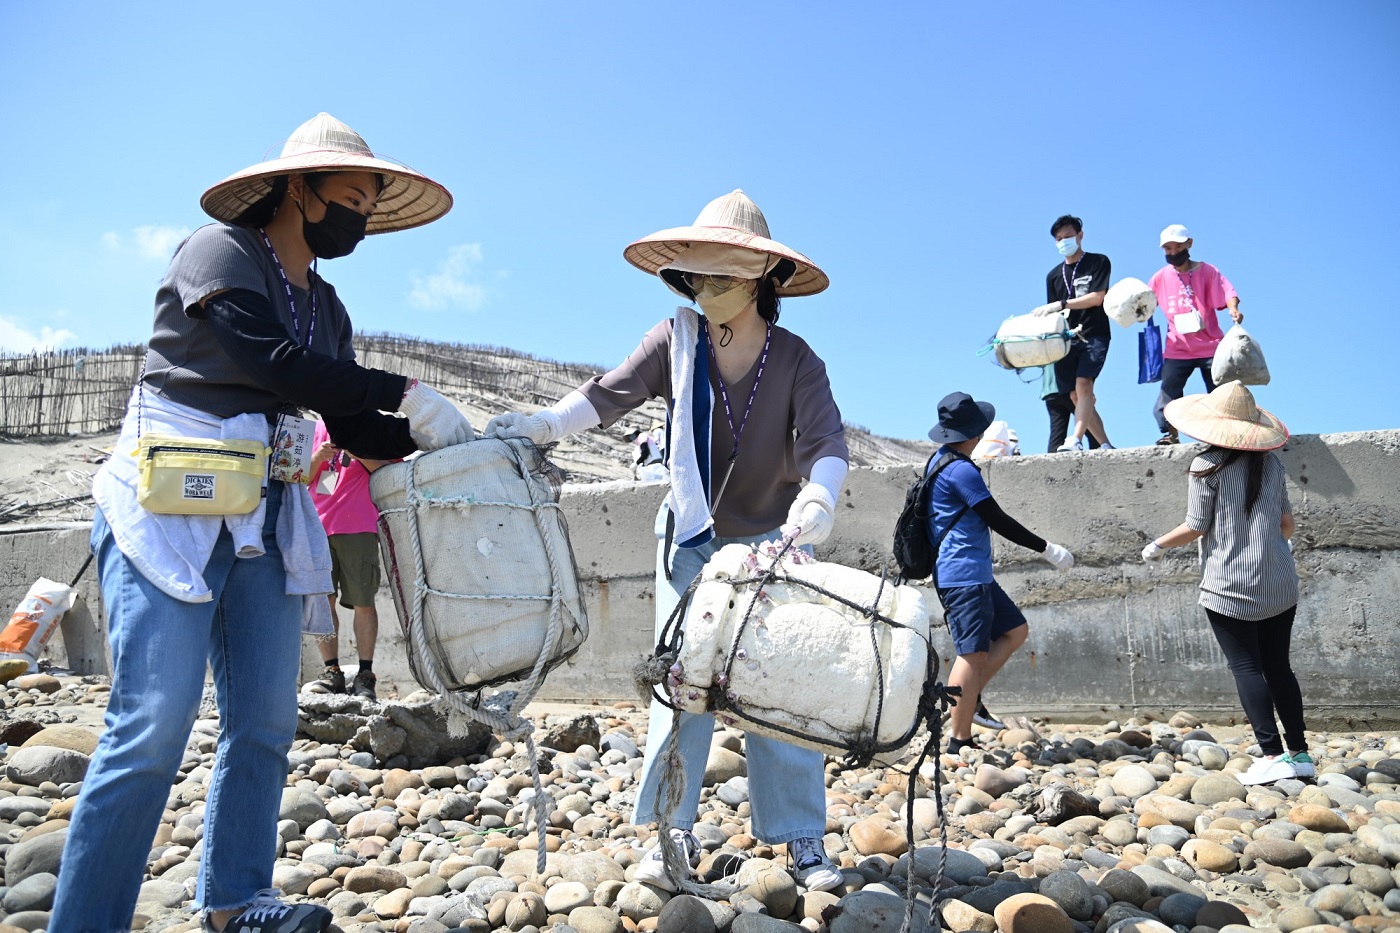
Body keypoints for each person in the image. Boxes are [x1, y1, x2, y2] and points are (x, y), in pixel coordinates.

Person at [51, 113, 471, 933]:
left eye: (366, 202)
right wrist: (405, 388)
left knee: (268, 720)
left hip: (269, 517)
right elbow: (268, 362)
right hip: (171, 504)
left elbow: (347, 425)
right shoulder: (220, 252)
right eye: (346, 196)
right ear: (297, 188)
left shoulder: (331, 307)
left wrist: (439, 439)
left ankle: (236, 897)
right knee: (151, 722)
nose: (356, 216)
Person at [485, 190, 848, 893]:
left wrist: (819, 497)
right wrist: (544, 424)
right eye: (698, 277)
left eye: (724, 277)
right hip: (688, 537)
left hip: (772, 541)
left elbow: (827, 440)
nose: (707, 290)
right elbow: (607, 393)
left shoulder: (797, 359)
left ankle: (803, 836)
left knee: (782, 687)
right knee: (681, 682)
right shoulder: (675, 340)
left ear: (762, 279)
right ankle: (669, 826)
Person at [1141, 381, 1310, 785]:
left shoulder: (1206, 466)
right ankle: (1300, 754)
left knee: (1247, 667)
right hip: (1279, 582)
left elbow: (1197, 526)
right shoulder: (1273, 464)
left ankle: (1270, 755)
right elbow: (1287, 525)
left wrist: (1157, 546)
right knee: (1279, 668)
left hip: (1229, 584)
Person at [924, 393, 1075, 753]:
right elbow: (997, 519)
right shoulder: (960, 469)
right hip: (964, 575)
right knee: (971, 654)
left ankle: (970, 698)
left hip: (970, 573)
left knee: (1014, 630)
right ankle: (958, 741)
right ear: (974, 433)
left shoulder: (939, 460)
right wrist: (1048, 549)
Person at [307, 420, 389, 700]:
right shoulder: (314, 428)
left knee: (363, 602)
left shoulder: (375, 424)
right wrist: (318, 457)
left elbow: (390, 472)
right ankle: (332, 673)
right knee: (322, 602)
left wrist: (358, 453)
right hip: (316, 528)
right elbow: (297, 476)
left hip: (360, 529)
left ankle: (365, 676)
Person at [1149, 224, 1243, 445]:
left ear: (1189, 244)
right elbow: (1144, 301)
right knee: (1169, 392)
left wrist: (1234, 309)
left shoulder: (1207, 271)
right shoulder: (1160, 277)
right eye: (1168, 249)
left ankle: (1225, 435)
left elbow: (1228, 291)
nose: (1173, 252)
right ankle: (1171, 435)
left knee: (1221, 392)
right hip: (1177, 347)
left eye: (1178, 246)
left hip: (1210, 345)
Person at [1031, 214, 1114, 451]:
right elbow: (1053, 315)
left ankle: (1075, 439)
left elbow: (1098, 297)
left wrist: (1063, 304)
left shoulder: (1098, 262)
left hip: (1094, 335)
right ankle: (1106, 444)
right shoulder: (1053, 275)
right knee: (1076, 396)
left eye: (1068, 236)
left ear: (1080, 236)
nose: (1063, 242)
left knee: (1084, 383)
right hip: (1065, 342)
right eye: (1059, 239)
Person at [1042, 364, 1100, 454]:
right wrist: (1086, 394)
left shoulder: (1047, 350)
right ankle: (1099, 459)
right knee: (1091, 429)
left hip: (1050, 391)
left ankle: (1053, 464)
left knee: (1057, 434)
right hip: (1069, 389)